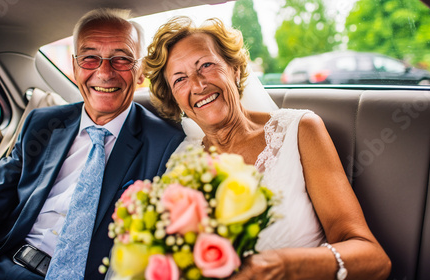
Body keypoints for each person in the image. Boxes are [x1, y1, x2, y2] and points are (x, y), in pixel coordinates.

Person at [144, 16, 391, 279]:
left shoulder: (299, 130)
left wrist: (283, 265)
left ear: (234, 69)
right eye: (180, 79)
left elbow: (372, 257)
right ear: (174, 97)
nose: (197, 85)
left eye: (206, 65)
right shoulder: (178, 162)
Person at [0, 9, 184, 280]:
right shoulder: (42, 124)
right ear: (74, 67)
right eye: (89, 58)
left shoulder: (166, 142)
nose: (104, 72)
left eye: (121, 59)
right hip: (2, 268)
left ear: (140, 71)